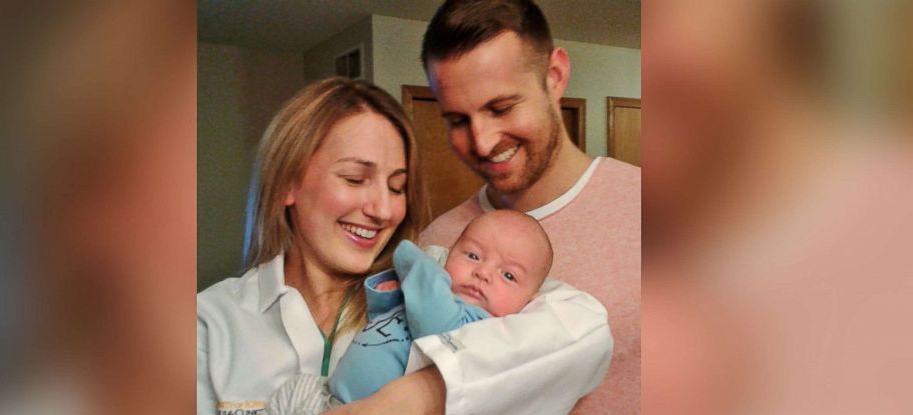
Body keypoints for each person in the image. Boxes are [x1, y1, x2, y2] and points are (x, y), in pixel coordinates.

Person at [332, 1, 639, 414]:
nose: (481, 141)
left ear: (554, 77)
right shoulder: (440, 243)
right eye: (458, 120)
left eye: (501, 108)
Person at [196, 77, 430, 415]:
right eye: (354, 179)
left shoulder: (421, 313)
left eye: (397, 187)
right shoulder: (207, 324)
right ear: (287, 184)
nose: (383, 210)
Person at [267, 210, 555, 414]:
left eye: (508, 276)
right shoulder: (435, 296)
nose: (483, 273)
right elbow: (382, 323)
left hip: (365, 409)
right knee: (284, 395)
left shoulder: (479, 327)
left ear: (529, 301)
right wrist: (390, 295)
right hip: (323, 392)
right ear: (450, 254)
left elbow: (436, 324)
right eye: (473, 256)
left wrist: (413, 260)